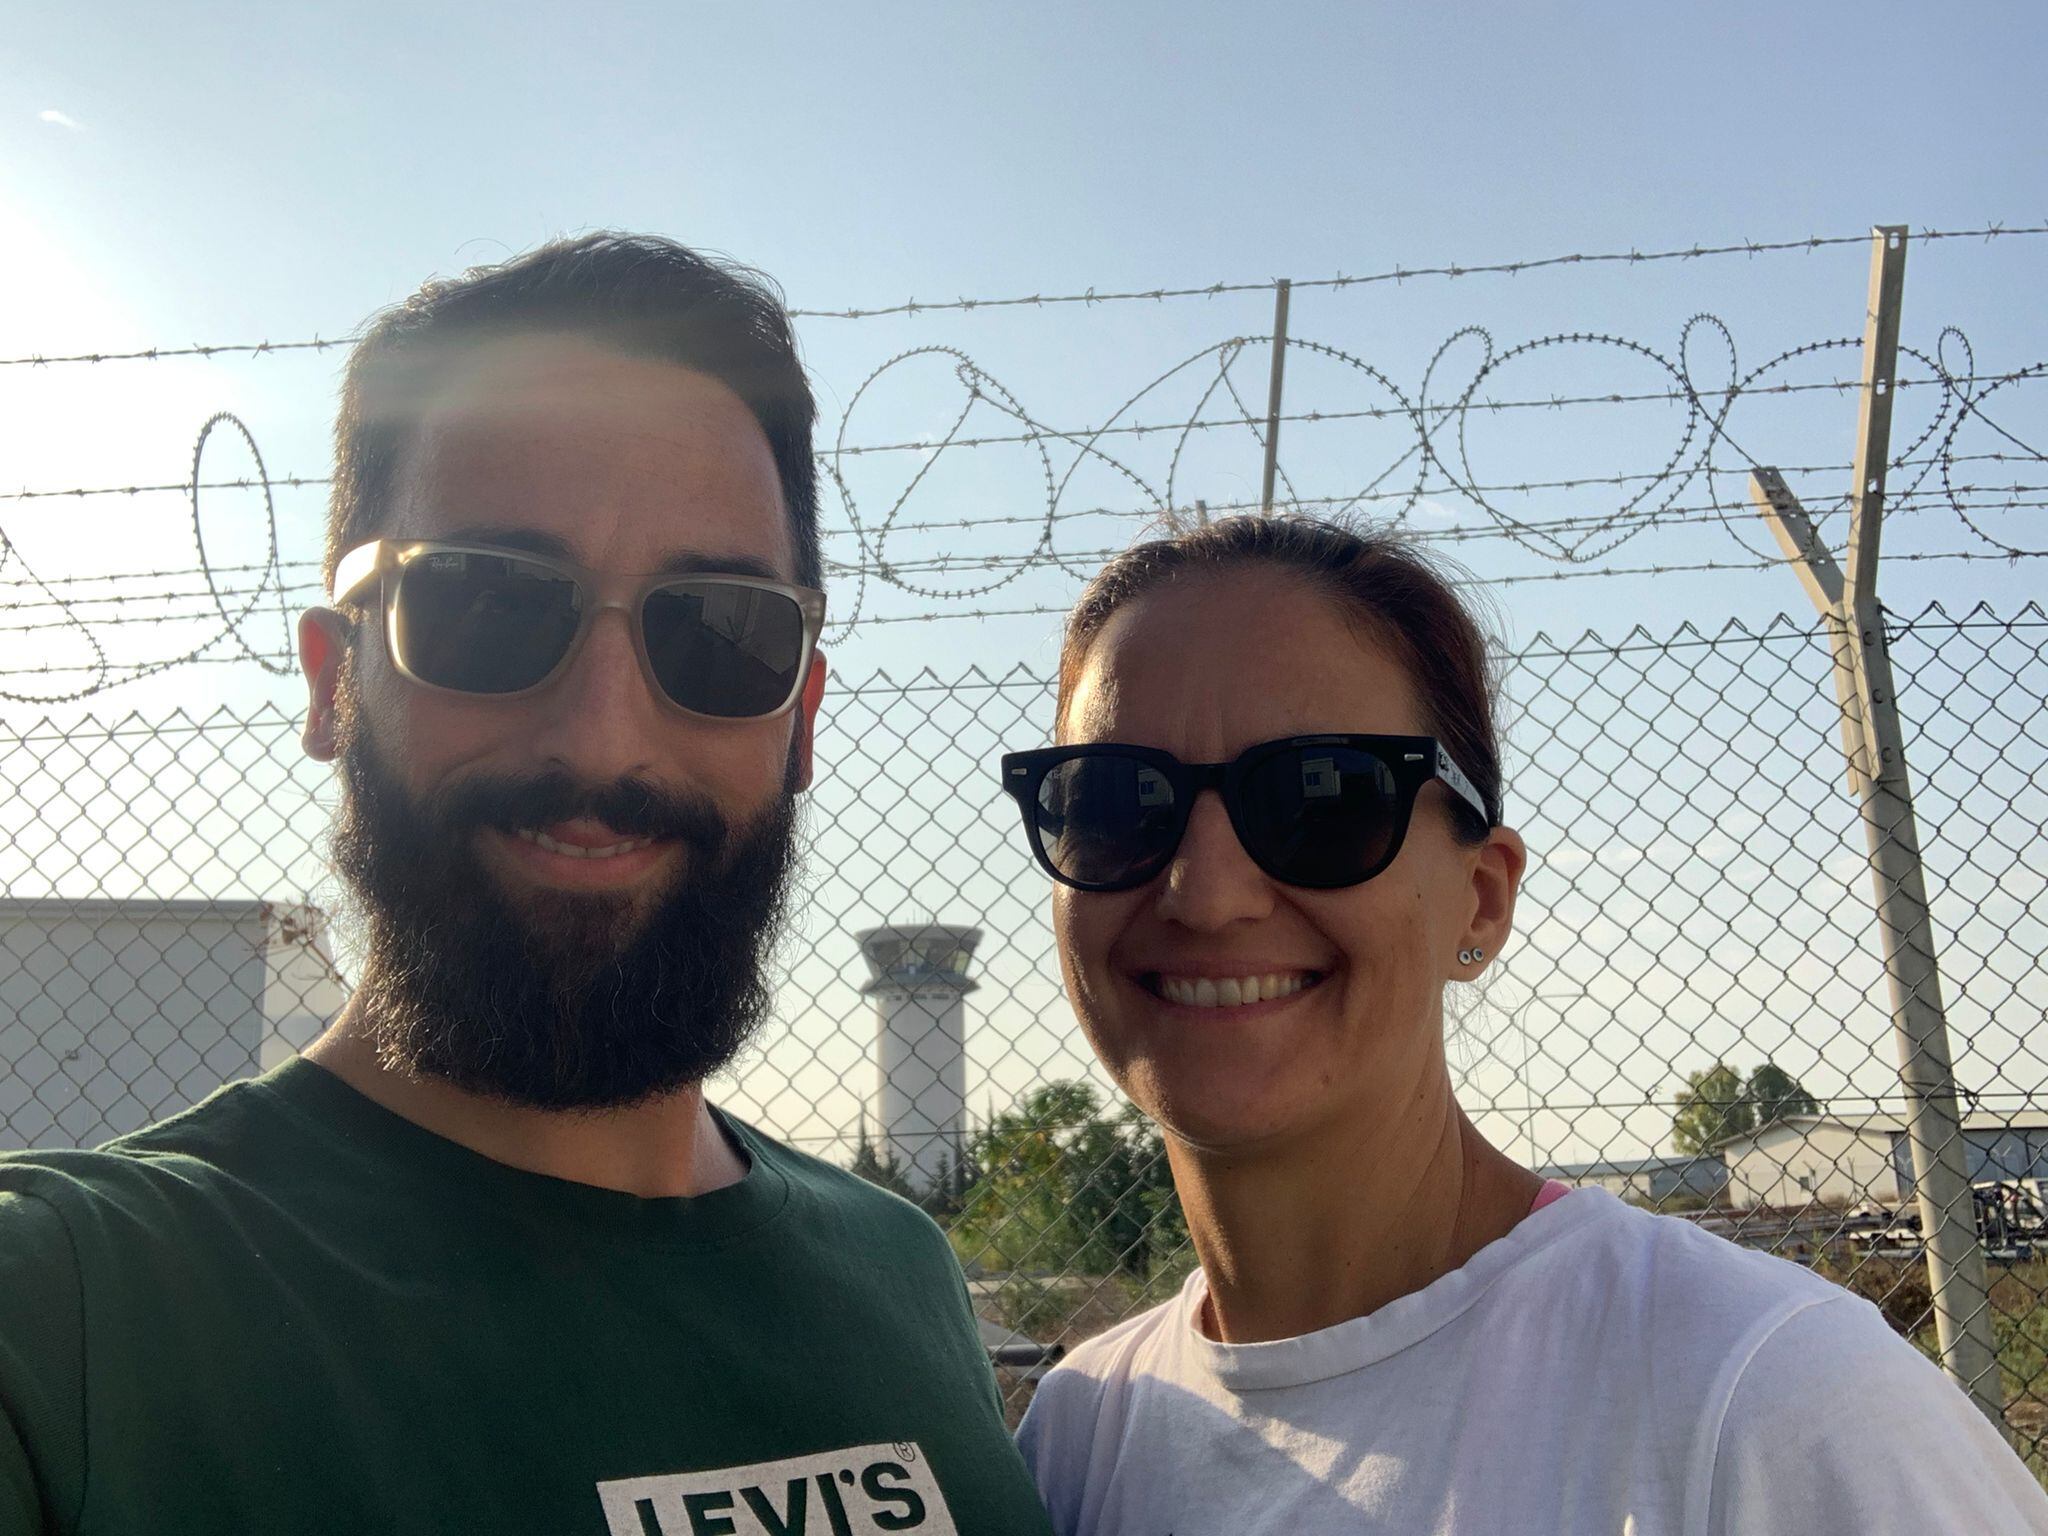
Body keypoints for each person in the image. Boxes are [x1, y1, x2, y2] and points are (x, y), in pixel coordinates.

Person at [0, 234, 1053, 1535]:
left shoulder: (902, 1277)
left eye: (717, 631)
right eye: (484, 606)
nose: (601, 739)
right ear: (335, 680)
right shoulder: (71, 1317)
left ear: (802, 720)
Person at [1000, 514, 2048, 1534]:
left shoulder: (1761, 1399)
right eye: (1111, 802)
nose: (1206, 892)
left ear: (1480, 900)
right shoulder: (1077, 1440)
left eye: (1322, 798)